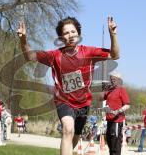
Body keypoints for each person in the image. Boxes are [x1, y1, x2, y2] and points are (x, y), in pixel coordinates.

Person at [17, 16, 119, 155]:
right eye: (66, 33)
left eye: (73, 31)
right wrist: (23, 40)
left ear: (78, 34)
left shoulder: (89, 52)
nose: (70, 35)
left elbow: (115, 55)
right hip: (63, 101)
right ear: (61, 38)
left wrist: (113, 35)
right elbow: (29, 56)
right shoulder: (55, 55)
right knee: (67, 130)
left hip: (83, 103)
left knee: (75, 137)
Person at [100, 71, 130, 155]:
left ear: (119, 80)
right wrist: (104, 89)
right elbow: (100, 99)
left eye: (114, 79)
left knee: (115, 144)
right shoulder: (109, 90)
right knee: (109, 143)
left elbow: (127, 105)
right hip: (109, 120)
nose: (112, 80)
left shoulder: (121, 90)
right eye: (111, 79)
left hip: (117, 121)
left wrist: (118, 111)